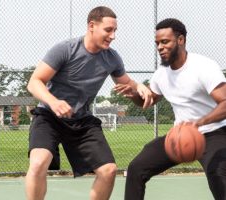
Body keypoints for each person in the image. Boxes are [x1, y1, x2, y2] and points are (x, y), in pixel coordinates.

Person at [25, 6, 153, 200]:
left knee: (108, 170)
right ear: (92, 26)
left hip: (81, 120)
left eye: (115, 31)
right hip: (49, 116)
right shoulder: (66, 49)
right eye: (108, 30)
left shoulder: (112, 58)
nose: (113, 36)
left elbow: (126, 84)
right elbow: (34, 82)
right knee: (38, 163)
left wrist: (139, 87)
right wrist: (54, 102)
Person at [115, 18, 226, 200]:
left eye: (165, 41)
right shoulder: (161, 74)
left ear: (180, 40)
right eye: (157, 43)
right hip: (180, 136)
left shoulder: (204, 67)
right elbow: (148, 101)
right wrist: (134, 94)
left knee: (218, 177)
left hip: (215, 133)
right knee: (136, 168)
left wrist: (199, 123)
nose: (160, 47)